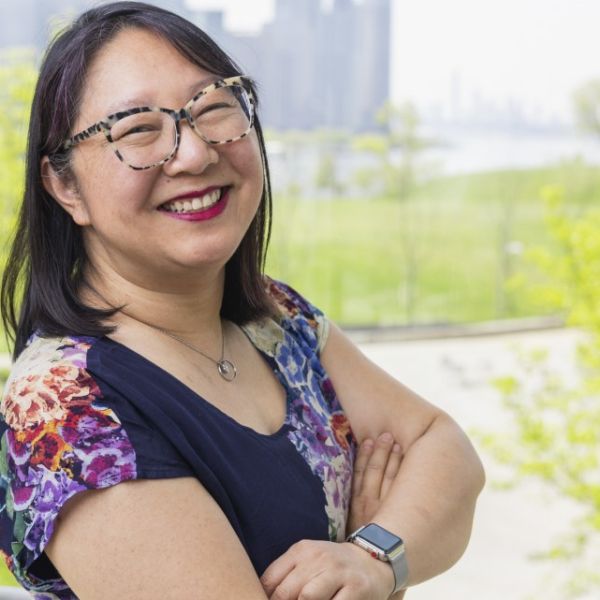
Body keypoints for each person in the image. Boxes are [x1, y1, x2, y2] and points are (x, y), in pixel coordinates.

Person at [0, 2, 485, 598]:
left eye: (214, 110)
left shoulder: (277, 320)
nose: (196, 153)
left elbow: (445, 450)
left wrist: (373, 557)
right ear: (64, 185)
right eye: (138, 130)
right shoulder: (68, 409)